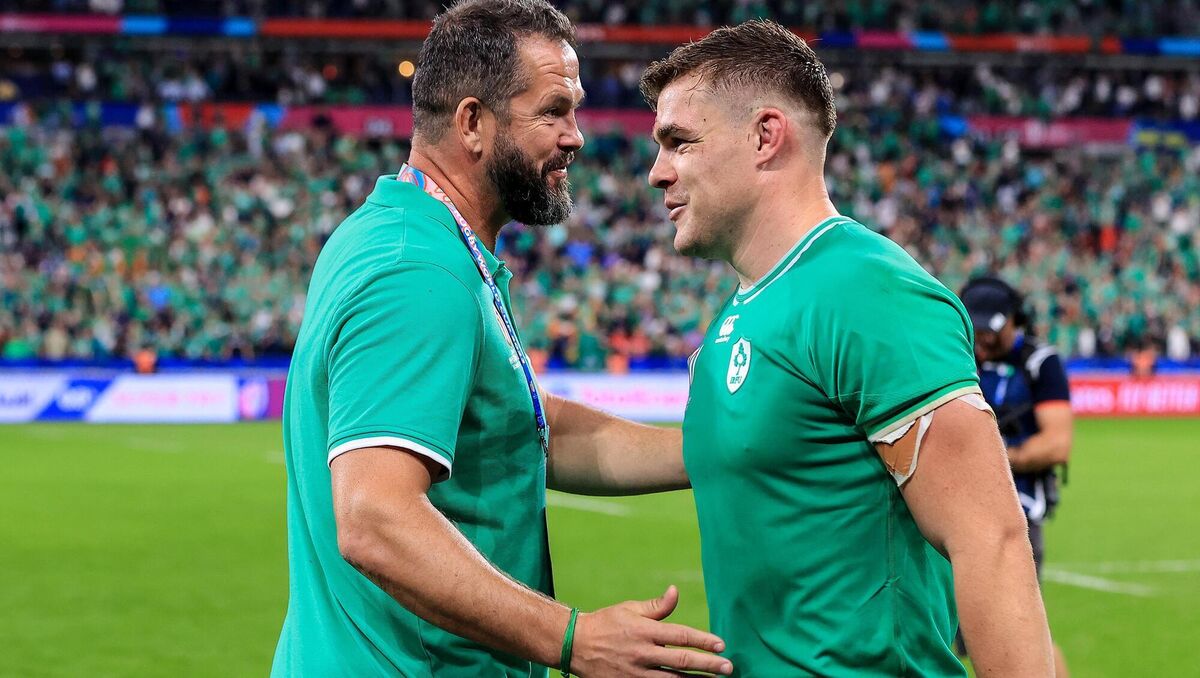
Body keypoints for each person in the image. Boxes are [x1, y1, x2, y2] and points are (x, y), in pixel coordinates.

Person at [270, 1, 733, 676]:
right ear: (472, 123)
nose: (576, 136)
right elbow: (373, 514)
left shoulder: (405, 236)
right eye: (553, 111)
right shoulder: (418, 272)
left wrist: (715, 452)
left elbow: (522, 431)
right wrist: (570, 638)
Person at [641, 20, 1054, 676]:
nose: (657, 171)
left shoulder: (866, 292)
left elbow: (993, 543)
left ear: (764, 136)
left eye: (679, 142)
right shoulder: (744, 310)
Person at [961, 275, 1074, 677]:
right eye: (977, 328)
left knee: (1020, 637)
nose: (984, 339)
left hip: (1018, 511)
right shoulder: (956, 356)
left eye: (992, 328)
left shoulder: (1039, 363)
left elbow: (1057, 444)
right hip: (955, 513)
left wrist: (990, 457)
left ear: (1014, 320)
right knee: (954, 633)